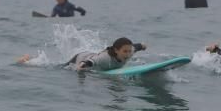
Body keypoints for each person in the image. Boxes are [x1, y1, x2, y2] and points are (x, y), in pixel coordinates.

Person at [18, 37, 147, 70]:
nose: (128, 53)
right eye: (125, 51)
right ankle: (28, 60)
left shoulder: (129, 52)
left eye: (129, 51)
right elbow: (92, 62)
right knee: (59, 68)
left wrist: (142, 45)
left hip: (89, 55)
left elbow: (136, 46)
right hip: (81, 58)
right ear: (116, 50)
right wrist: (82, 66)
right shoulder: (105, 58)